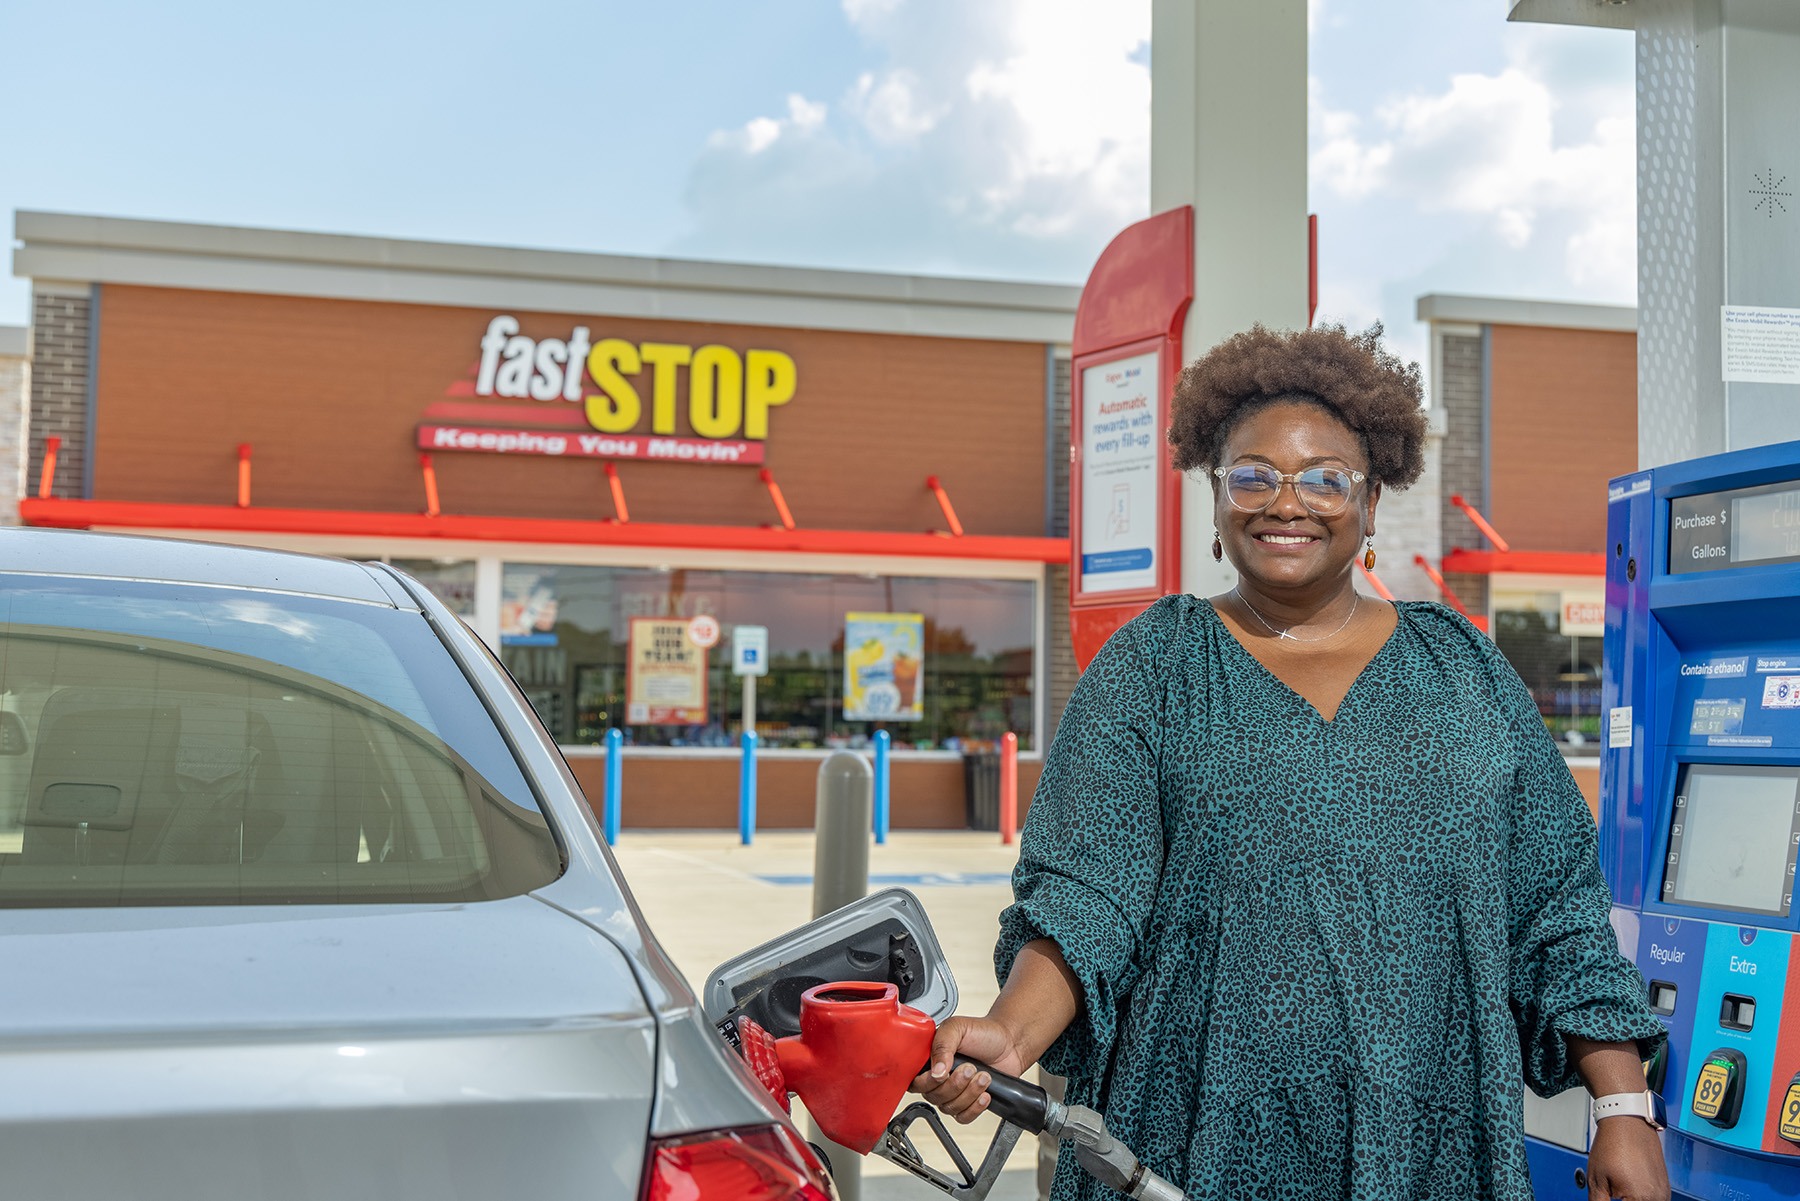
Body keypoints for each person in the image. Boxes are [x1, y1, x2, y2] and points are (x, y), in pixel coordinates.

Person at [912, 324, 1669, 1201]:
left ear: (1373, 498)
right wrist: (1012, 1033)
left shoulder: (1463, 670)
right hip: (1192, 1142)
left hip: (1431, 1145)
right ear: (1215, 493)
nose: (1287, 502)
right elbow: (1085, 896)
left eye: (1324, 478)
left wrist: (1624, 1106)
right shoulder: (1155, 665)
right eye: (1253, 475)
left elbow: (1556, 907)